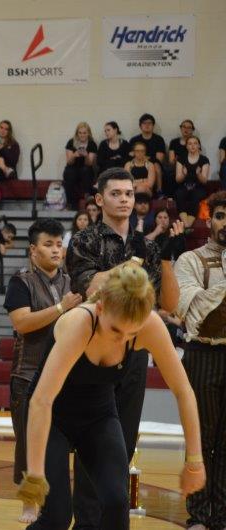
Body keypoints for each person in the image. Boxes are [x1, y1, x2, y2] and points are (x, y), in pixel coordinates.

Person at [18, 265, 205, 530]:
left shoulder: (150, 324)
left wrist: (195, 461)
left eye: (133, 333)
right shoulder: (80, 323)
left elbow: (183, 390)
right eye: (116, 330)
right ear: (101, 308)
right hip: (52, 416)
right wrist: (35, 475)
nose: (123, 339)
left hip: (98, 415)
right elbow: (42, 400)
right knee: (57, 517)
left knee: (117, 502)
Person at [66, 167, 184, 527]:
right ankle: (87, 524)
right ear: (100, 199)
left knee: (124, 443)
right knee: (91, 443)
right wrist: (131, 266)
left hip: (134, 353)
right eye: (116, 193)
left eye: (129, 194)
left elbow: (169, 305)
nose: (124, 200)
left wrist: (167, 255)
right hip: (94, 353)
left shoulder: (147, 246)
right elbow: (91, 287)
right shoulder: (84, 240)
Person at [4, 219, 82, 524]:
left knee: (60, 445)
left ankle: (60, 500)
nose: (56, 250)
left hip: (65, 375)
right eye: (48, 244)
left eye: (59, 244)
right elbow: (22, 323)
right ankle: (30, 502)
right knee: (28, 444)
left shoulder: (72, 282)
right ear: (33, 250)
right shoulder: (20, 282)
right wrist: (61, 309)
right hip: (28, 375)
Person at [174, 190, 226, 530]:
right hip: (202, 352)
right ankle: (198, 515)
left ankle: (222, 516)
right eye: (221, 216)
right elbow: (195, 312)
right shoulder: (189, 260)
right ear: (209, 221)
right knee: (201, 437)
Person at [175, 136, 211, 229]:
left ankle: (188, 224)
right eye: (190, 143)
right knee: (179, 194)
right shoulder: (181, 159)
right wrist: (184, 174)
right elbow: (178, 179)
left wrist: (198, 174)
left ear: (199, 146)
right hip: (184, 186)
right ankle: (185, 222)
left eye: (195, 143)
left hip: (199, 187)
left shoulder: (204, 160)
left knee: (196, 195)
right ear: (187, 146)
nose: (192, 146)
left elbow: (204, 181)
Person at [129, 113, 166, 194]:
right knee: (128, 165)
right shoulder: (134, 140)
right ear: (140, 126)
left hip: (153, 163)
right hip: (137, 162)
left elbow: (159, 159)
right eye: (144, 123)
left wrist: (145, 159)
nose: (147, 125)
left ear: (153, 125)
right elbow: (131, 156)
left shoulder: (159, 139)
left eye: (149, 123)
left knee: (156, 166)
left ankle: (159, 190)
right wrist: (143, 158)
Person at [63, 122, 97, 208]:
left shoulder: (92, 144)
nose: (82, 135)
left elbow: (89, 163)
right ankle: (71, 203)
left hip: (86, 169)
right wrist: (74, 155)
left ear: (88, 133)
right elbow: (69, 162)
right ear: (77, 133)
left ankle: (88, 199)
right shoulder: (71, 142)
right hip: (73, 168)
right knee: (70, 172)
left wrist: (86, 156)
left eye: (84, 133)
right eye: (80, 133)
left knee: (86, 170)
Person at [167, 119, 198, 198]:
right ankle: (171, 197)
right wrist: (177, 161)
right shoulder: (174, 142)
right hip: (176, 166)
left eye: (189, 127)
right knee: (170, 172)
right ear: (181, 128)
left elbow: (197, 158)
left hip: (190, 166)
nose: (186, 129)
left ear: (192, 130)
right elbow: (171, 161)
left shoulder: (194, 141)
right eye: (184, 127)